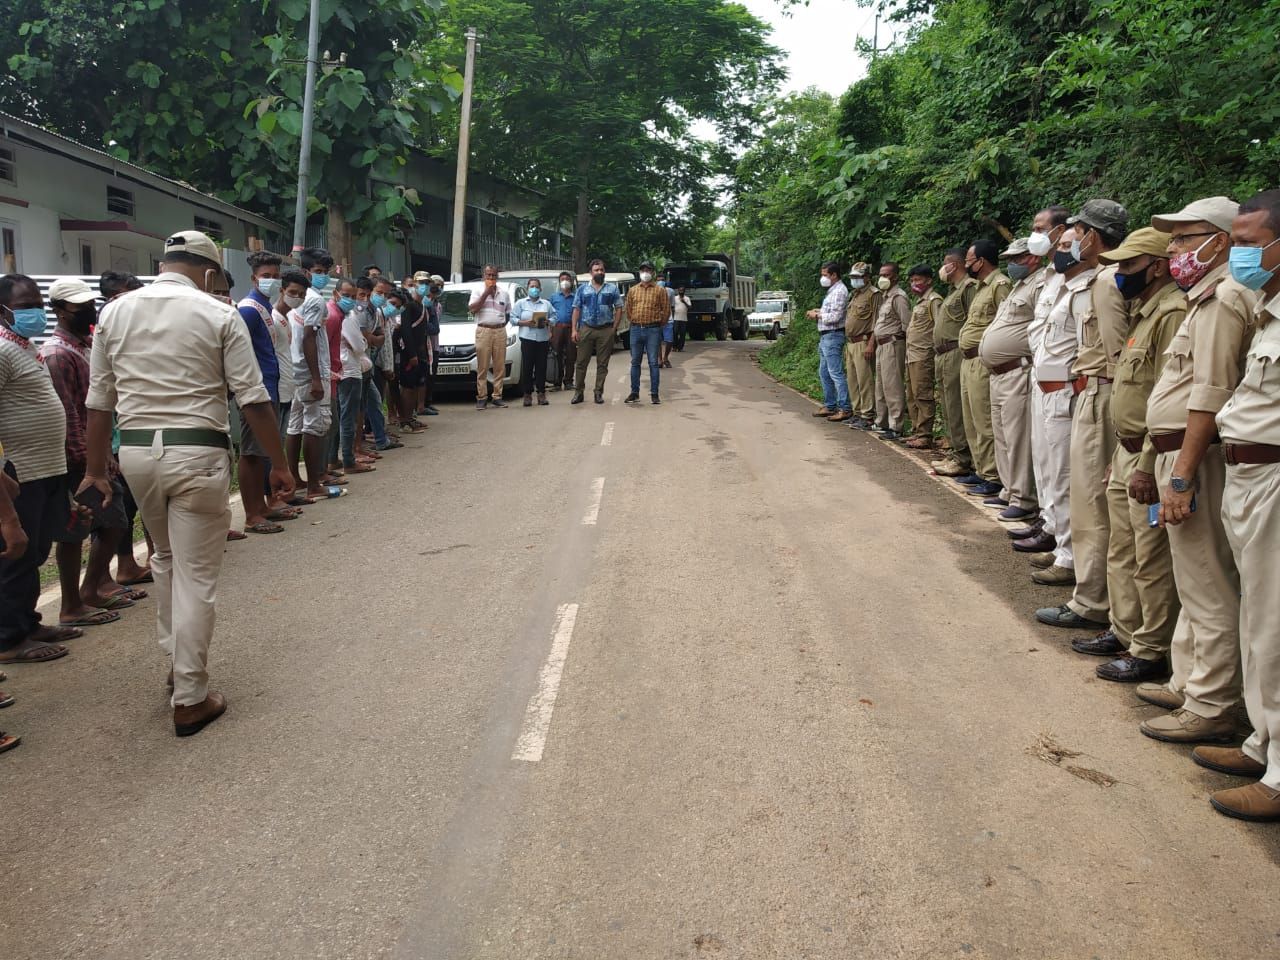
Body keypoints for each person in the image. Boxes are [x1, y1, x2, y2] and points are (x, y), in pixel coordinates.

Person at [79, 230, 294, 736]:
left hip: (135, 453)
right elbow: (254, 399)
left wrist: (93, 470)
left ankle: (177, 667)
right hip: (197, 451)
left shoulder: (114, 312)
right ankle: (191, 697)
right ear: (207, 271)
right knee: (196, 575)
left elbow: (98, 401)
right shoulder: (217, 313)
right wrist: (280, 464)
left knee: (165, 560)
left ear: (165, 263)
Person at [1141, 197, 1260, 746]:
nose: (1175, 249)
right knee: (1194, 578)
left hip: (1198, 456)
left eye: (1186, 238)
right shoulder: (1200, 300)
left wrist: (1182, 476)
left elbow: (1210, 395)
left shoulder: (1222, 299)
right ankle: (1191, 683)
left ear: (1219, 240)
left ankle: (1212, 703)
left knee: (1208, 581)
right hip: (1179, 452)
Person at [1071, 227, 1183, 684]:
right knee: (1122, 545)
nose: (1120, 274)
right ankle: (1123, 629)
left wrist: (1144, 462)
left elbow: (1168, 395)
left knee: (1149, 555)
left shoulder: (1172, 313)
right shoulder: (1143, 312)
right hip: (1127, 448)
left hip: (1151, 454)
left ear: (1156, 266)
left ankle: (1150, 647)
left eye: (1130, 266)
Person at [1202, 189, 1280, 820]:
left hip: (1275, 482)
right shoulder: (1265, 308)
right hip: (1248, 479)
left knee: (1275, 626)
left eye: (1252, 241)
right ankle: (1262, 742)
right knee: (1257, 617)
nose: (1240, 252)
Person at [1041, 201, 1129, 616]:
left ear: (1093, 237)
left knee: (1093, 503)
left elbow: (1117, 356)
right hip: (1086, 392)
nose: (1068, 239)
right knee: (1084, 498)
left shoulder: (1108, 281)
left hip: (1101, 394)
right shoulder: (1092, 282)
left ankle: (1092, 601)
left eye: (1076, 232)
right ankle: (1091, 592)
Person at [41, 278, 137, 627]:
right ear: (60, 311)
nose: (88, 311)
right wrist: (88, 461)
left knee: (113, 521)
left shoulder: (84, 346)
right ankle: (72, 602)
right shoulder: (57, 355)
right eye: (79, 307)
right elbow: (69, 414)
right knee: (76, 529)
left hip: (98, 454)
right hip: (79, 459)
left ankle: (92, 586)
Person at [0, 274, 79, 666]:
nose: (34, 311)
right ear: (3, 309)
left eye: (37, 303)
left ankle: (28, 623)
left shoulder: (25, 347)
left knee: (35, 552)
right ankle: (10, 639)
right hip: (20, 473)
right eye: (24, 304)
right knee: (15, 557)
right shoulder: (0, 349)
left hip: (47, 467)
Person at [1017, 206, 1077, 561]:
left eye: (1040, 227)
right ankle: (1050, 524)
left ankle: (1065, 547)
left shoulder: (1079, 277)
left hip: (1062, 382)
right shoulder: (1052, 276)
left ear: (1061, 231)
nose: (1035, 233)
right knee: (1043, 458)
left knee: (1060, 463)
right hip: (1043, 376)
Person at [979, 237, 1043, 524]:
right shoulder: (1020, 285)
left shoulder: (1041, 284)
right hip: (998, 373)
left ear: (1033, 257)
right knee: (1002, 435)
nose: (1012, 264)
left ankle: (1023, 497)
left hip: (1018, 370)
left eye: (1017, 258)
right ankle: (1009, 489)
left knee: (1017, 437)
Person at [235, 251, 291, 534]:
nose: (271, 280)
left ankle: (262, 506)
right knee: (251, 454)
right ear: (254, 278)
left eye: (275, 276)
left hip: (269, 385)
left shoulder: (264, 307)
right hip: (253, 389)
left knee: (262, 451)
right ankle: (251, 512)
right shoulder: (248, 309)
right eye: (266, 276)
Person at [954, 239, 1011, 498]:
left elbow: (1008, 323)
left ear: (982, 261)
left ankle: (993, 475)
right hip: (968, 360)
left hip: (982, 360)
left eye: (969, 259)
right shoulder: (980, 288)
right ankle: (980, 469)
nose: (967, 264)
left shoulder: (1000, 286)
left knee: (984, 418)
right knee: (971, 419)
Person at [286, 247, 337, 499]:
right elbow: (309, 337)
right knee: (315, 425)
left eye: (325, 272)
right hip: (311, 371)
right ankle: (315, 483)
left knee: (296, 425)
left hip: (295, 370)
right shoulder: (314, 299)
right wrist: (317, 377)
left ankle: (295, 478)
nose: (323, 276)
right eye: (318, 271)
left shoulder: (296, 298)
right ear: (306, 271)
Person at [930, 249, 978, 477]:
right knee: (949, 406)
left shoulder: (968, 288)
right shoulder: (952, 291)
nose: (942, 267)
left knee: (957, 406)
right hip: (943, 354)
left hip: (956, 351)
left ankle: (963, 457)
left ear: (954, 266)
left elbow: (974, 321)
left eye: (945, 263)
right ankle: (955, 451)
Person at [803, 261, 851, 421]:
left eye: (825, 275)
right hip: (825, 336)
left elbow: (836, 317)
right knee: (824, 372)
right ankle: (830, 405)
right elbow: (830, 312)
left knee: (835, 373)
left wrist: (817, 315)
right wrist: (819, 311)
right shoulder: (832, 291)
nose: (822, 278)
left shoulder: (839, 291)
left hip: (833, 335)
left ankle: (845, 408)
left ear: (834, 275)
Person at [867, 262, 910, 439]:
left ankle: (896, 426)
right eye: (881, 274)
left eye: (886, 275)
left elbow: (907, 325)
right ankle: (882, 421)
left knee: (893, 386)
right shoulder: (886, 296)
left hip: (893, 345)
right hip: (881, 345)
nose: (882, 278)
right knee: (881, 386)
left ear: (895, 276)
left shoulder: (899, 297)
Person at [571, 259, 621, 405]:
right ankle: (578, 393)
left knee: (602, 364)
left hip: (605, 329)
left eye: (602, 270)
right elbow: (576, 309)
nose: (600, 272)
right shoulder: (582, 289)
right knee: (581, 362)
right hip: (586, 328)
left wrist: (614, 328)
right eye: (596, 270)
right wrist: (574, 329)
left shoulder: (612, 289)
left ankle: (598, 392)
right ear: (590, 273)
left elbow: (619, 308)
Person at [337, 280, 373, 474]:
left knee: (343, 416)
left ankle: (336, 459)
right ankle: (349, 460)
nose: (350, 300)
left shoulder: (340, 315)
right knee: (348, 417)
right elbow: (360, 346)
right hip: (349, 370)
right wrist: (362, 344)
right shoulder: (347, 317)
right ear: (336, 294)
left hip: (344, 369)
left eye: (353, 296)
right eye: (347, 296)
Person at [902, 265, 940, 450]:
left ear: (928, 280)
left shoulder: (934, 301)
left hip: (924, 354)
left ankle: (925, 434)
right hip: (912, 354)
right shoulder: (919, 302)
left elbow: (939, 328)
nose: (914, 284)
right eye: (912, 281)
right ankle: (917, 431)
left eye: (917, 280)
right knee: (912, 394)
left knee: (923, 394)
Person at [625, 261, 669, 404]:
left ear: (653, 273)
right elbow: (629, 309)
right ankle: (634, 392)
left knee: (653, 363)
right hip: (636, 328)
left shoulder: (659, 290)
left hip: (653, 329)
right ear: (639, 272)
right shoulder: (633, 290)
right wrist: (635, 321)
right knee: (635, 362)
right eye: (643, 270)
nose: (645, 273)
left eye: (648, 270)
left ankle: (654, 394)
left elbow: (666, 310)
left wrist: (658, 325)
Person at [470, 264, 512, 410]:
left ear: (497, 276)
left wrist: (500, 326)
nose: (491, 278)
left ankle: (497, 396)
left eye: (493, 275)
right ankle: (482, 397)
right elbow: (473, 309)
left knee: (500, 366)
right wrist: (485, 294)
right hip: (484, 330)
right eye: (488, 275)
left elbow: (507, 313)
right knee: (483, 365)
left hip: (499, 331)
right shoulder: (477, 290)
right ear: (484, 276)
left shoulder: (504, 293)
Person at [844, 262, 881, 428]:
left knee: (865, 380)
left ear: (867, 277)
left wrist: (871, 344)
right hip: (851, 343)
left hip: (863, 341)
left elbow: (877, 322)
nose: (854, 280)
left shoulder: (874, 294)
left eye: (857, 277)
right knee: (853, 380)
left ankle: (868, 415)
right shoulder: (855, 294)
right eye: (852, 277)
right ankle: (857, 411)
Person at [513, 278, 553, 406]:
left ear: (540, 289)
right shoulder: (521, 303)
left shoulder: (546, 304)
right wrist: (524, 323)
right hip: (527, 338)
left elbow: (554, 317)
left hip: (542, 339)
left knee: (541, 367)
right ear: (528, 288)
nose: (534, 289)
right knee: (527, 367)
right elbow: (512, 318)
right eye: (532, 286)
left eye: (536, 287)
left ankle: (541, 394)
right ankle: (527, 394)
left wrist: (549, 322)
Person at [548, 270, 577, 390]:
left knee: (571, 356)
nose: (565, 282)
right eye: (562, 279)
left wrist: (577, 330)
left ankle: (569, 381)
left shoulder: (575, 297)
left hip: (571, 328)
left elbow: (579, 313)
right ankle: (557, 381)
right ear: (559, 282)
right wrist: (550, 331)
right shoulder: (554, 297)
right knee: (557, 355)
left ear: (571, 282)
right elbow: (549, 314)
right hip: (557, 328)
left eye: (567, 279)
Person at [659, 279, 675, 368]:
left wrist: (672, 317)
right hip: (657, 320)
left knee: (669, 340)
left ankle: (666, 357)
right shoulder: (654, 292)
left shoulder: (670, 292)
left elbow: (672, 306)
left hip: (668, 320)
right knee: (658, 341)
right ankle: (660, 359)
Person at [672, 285, 691, 353]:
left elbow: (690, 307)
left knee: (682, 334)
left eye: (682, 290)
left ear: (684, 291)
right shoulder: (675, 298)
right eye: (680, 290)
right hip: (676, 318)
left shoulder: (687, 298)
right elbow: (671, 306)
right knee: (675, 333)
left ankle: (680, 348)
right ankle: (674, 346)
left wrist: (684, 302)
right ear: (678, 291)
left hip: (684, 318)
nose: (681, 291)